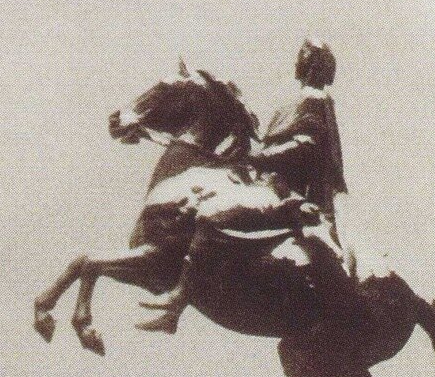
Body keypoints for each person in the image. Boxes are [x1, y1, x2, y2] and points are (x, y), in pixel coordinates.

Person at [137, 40, 367, 331]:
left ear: (315, 66)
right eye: (302, 57)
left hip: (286, 193)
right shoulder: (303, 100)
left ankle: (176, 304)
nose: (300, 62)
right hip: (270, 185)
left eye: (305, 58)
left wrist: (260, 160)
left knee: (210, 218)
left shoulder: (314, 99)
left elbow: (305, 145)